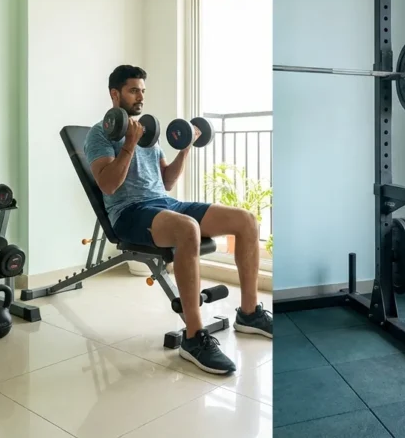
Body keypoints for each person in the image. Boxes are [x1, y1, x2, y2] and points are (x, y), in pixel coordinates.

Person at [84, 65, 272, 375]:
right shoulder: (100, 134)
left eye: (143, 90)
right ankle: (194, 337)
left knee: (246, 221)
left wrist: (184, 149)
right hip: (130, 213)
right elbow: (108, 185)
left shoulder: (147, 132)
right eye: (133, 90)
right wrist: (129, 143)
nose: (140, 97)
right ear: (114, 94)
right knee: (188, 229)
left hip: (165, 203)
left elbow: (167, 181)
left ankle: (249, 313)